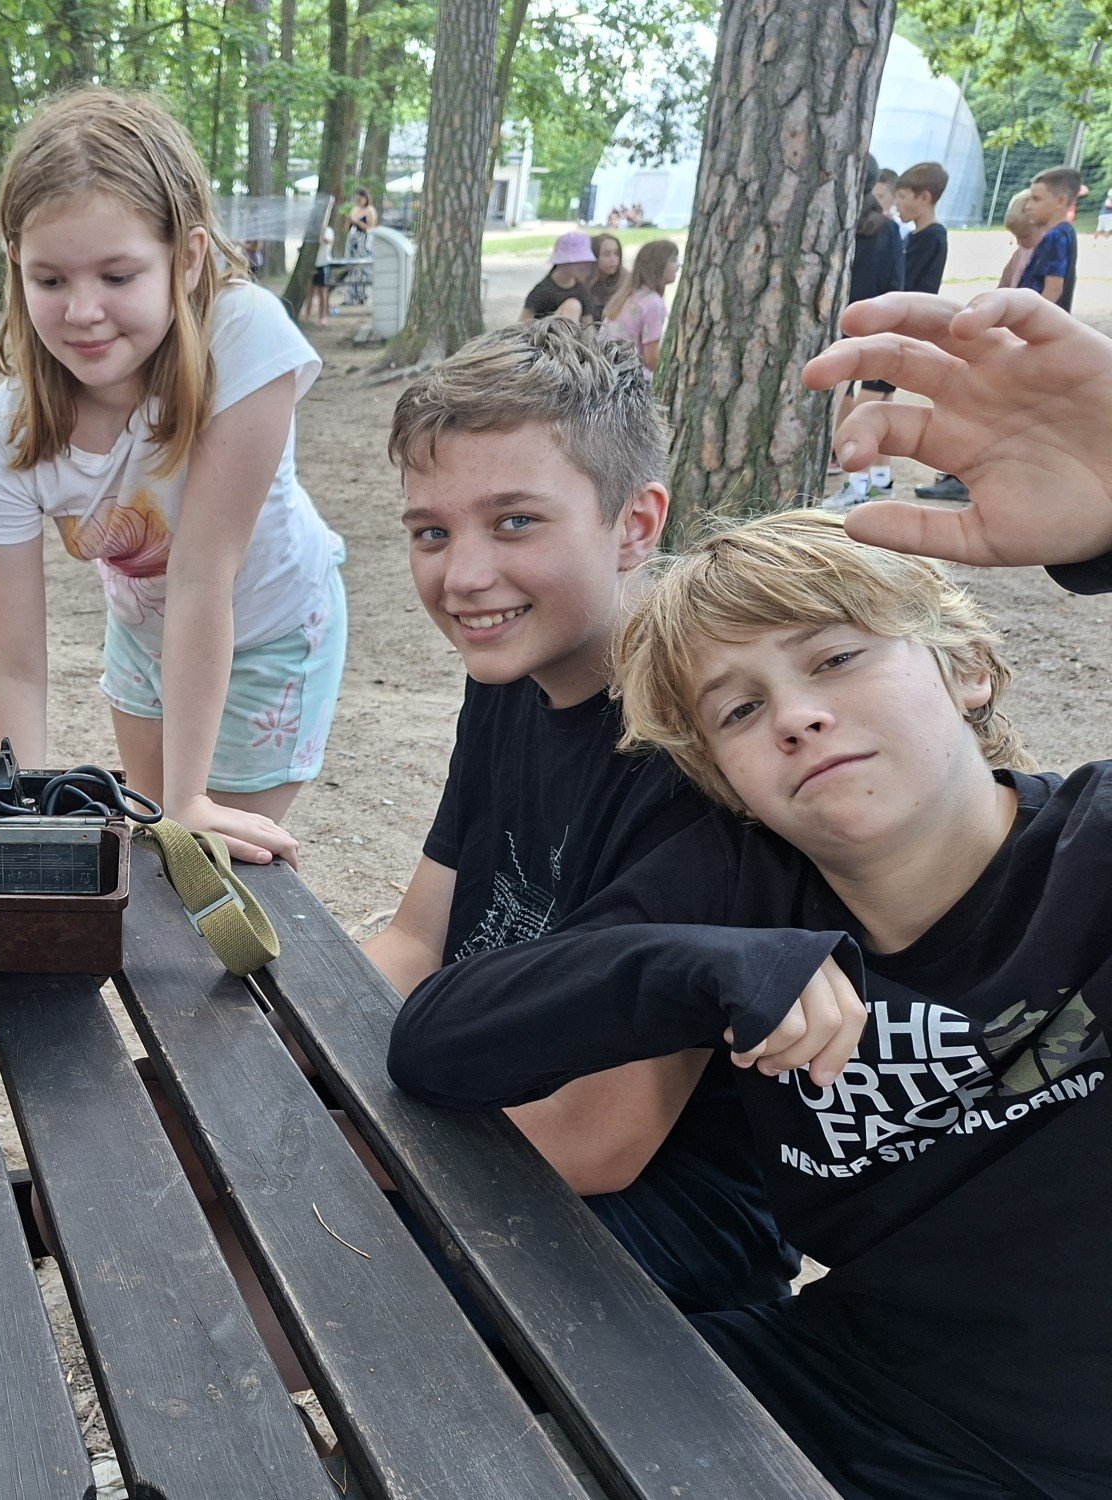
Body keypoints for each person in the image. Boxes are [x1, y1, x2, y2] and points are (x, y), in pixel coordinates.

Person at [387, 286, 1112, 1499]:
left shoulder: (1090, 854)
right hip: (841, 1383)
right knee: (453, 1434)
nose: (796, 716)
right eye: (735, 710)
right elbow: (436, 1038)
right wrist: (694, 965)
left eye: (836, 660)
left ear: (966, 669)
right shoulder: (744, 885)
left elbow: (598, 1138)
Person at [362, 318, 797, 1320]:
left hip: (654, 1215)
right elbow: (418, 936)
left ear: (635, 524)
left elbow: (601, 1138)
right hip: (486, 1093)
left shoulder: (703, 753)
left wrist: (328, 1139)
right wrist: (293, 1065)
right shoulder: (511, 673)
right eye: (431, 532)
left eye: (514, 521)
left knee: (267, 1265)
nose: (463, 576)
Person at [0, 87, 345, 867]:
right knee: (156, 850)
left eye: (117, 275)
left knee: (213, 862)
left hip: (266, 631)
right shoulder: (7, 434)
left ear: (188, 257)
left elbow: (205, 578)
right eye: (50, 280)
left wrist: (191, 800)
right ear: (16, 266)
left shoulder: (245, 338)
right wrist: (15, 821)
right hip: (142, 637)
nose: (82, 311)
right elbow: (12, 666)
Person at [829, 158, 904, 508]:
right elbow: (895, 285)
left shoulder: (842, 225)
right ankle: (873, 481)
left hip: (844, 330)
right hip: (877, 328)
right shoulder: (888, 230)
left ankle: (859, 485)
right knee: (872, 405)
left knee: (852, 407)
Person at [892, 164, 968, 504]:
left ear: (925, 198)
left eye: (903, 197)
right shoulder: (913, 235)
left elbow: (911, 286)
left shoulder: (932, 236)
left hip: (912, 325)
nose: (898, 204)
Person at [598, 237, 678, 372]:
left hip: (608, 372)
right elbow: (652, 359)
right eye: (673, 260)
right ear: (659, 266)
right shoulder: (653, 304)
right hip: (631, 377)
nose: (679, 265)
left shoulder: (629, 296)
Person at [1021, 165, 1081, 311]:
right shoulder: (1066, 231)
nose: (1028, 206)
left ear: (1061, 201)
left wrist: (1030, 319)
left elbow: (1053, 289)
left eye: (1036, 199)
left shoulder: (1057, 236)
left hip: (1038, 321)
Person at [519, 230, 604, 325]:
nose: (584, 266)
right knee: (572, 306)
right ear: (562, 263)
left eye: (585, 262)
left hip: (572, 333)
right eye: (578, 261)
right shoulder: (542, 291)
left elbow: (588, 326)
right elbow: (522, 325)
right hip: (543, 333)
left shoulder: (582, 291)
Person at [340, 188, 377, 307]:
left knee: (362, 269)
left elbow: (370, 228)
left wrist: (358, 222)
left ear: (365, 198)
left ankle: (362, 295)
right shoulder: (354, 209)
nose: (358, 202)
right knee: (351, 268)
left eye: (360, 199)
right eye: (356, 200)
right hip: (352, 240)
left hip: (363, 241)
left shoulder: (370, 210)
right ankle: (349, 296)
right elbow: (348, 227)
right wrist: (349, 221)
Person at [998, 188, 1039, 290]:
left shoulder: (1045, 256)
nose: (1019, 242)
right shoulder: (1019, 254)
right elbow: (1003, 286)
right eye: (1016, 236)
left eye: (1024, 237)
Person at [587, 231, 624, 312]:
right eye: (607, 254)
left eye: (616, 254)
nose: (613, 259)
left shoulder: (625, 281)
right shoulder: (585, 282)